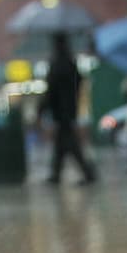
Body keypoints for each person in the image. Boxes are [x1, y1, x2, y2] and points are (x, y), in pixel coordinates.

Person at [41, 33, 96, 185]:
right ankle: (56, 173)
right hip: (70, 109)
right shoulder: (71, 63)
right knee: (62, 143)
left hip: (61, 111)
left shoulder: (57, 64)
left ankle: (87, 172)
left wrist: (42, 108)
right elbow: (79, 81)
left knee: (69, 143)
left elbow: (51, 91)